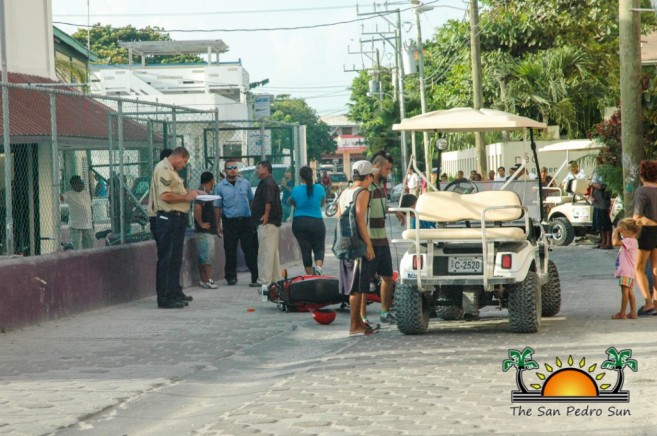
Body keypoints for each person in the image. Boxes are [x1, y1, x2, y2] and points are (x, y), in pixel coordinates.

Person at [148, 146, 200, 309]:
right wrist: (187, 197)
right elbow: (165, 196)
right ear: (179, 156)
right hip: (168, 218)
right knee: (167, 259)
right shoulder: (163, 169)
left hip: (177, 219)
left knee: (175, 259)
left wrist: (191, 193)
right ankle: (164, 297)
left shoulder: (171, 170)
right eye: (184, 162)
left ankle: (173, 292)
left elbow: (176, 192)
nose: (184, 165)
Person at [337, 160, 377, 336]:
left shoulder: (345, 192)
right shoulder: (363, 193)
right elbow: (361, 220)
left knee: (356, 286)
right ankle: (354, 326)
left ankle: (359, 323)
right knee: (356, 287)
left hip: (344, 242)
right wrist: (368, 245)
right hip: (357, 243)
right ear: (368, 176)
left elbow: (339, 216)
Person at [362, 151, 398, 326]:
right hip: (369, 239)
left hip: (382, 238)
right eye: (386, 168)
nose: (388, 172)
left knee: (388, 277)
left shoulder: (381, 187)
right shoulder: (367, 185)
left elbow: (382, 208)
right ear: (376, 166)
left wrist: (395, 211)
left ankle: (385, 312)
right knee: (364, 280)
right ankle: (361, 317)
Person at [213, 159, 259, 287]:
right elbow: (217, 207)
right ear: (225, 171)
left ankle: (255, 277)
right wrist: (218, 225)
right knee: (230, 250)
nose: (232, 170)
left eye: (234, 167)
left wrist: (254, 220)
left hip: (245, 221)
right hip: (230, 223)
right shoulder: (220, 187)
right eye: (229, 168)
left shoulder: (245, 183)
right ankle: (231, 277)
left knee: (250, 249)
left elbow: (251, 201)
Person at [289, 166, 326, 275]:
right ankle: (318, 268)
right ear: (312, 176)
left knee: (306, 250)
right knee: (319, 247)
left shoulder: (296, 190)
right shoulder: (320, 188)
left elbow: (293, 202)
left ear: (301, 177)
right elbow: (322, 204)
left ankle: (310, 276)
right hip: (316, 222)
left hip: (299, 222)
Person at [252, 161, 283, 289]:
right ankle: (275, 278)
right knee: (272, 251)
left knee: (265, 251)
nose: (257, 171)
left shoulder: (268, 183)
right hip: (272, 222)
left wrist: (266, 215)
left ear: (265, 168)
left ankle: (264, 279)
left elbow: (268, 201)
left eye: (258, 168)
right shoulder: (268, 182)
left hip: (267, 222)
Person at [632, 160, 657, 316]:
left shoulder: (642, 191)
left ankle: (648, 303)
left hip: (647, 231)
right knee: (656, 266)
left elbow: (637, 217)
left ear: (642, 175)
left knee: (639, 268)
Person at [611, 218, 640, 320]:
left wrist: (615, 230)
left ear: (627, 232)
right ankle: (633, 312)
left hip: (625, 271)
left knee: (625, 292)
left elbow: (614, 242)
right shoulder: (634, 241)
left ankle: (622, 313)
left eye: (621, 231)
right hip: (630, 271)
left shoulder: (628, 240)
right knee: (630, 291)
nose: (620, 233)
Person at [194, 171, 218, 289]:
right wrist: (201, 223)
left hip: (207, 230)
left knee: (203, 255)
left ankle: (204, 280)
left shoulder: (206, 192)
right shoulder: (203, 193)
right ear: (212, 181)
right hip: (204, 231)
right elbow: (197, 208)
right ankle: (207, 279)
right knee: (206, 255)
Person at [61, 175, 95, 250]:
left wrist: (92, 219)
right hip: (75, 225)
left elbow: (89, 206)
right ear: (74, 185)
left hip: (87, 224)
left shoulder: (86, 193)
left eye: (82, 182)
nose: (82, 184)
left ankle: (88, 259)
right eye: (80, 183)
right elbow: (61, 197)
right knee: (77, 245)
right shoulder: (69, 194)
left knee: (91, 243)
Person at [148, 148, 173, 239]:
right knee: (167, 247)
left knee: (163, 248)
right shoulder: (163, 172)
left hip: (156, 216)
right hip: (161, 215)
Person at [590, 172, 612, 249]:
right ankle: (603, 241)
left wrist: (592, 184)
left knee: (605, 222)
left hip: (603, 201)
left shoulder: (607, 171)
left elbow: (602, 186)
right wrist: (591, 195)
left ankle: (609, 242)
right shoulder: (596, 171)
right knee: (599, 223)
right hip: (597, 201)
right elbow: (592, 185)